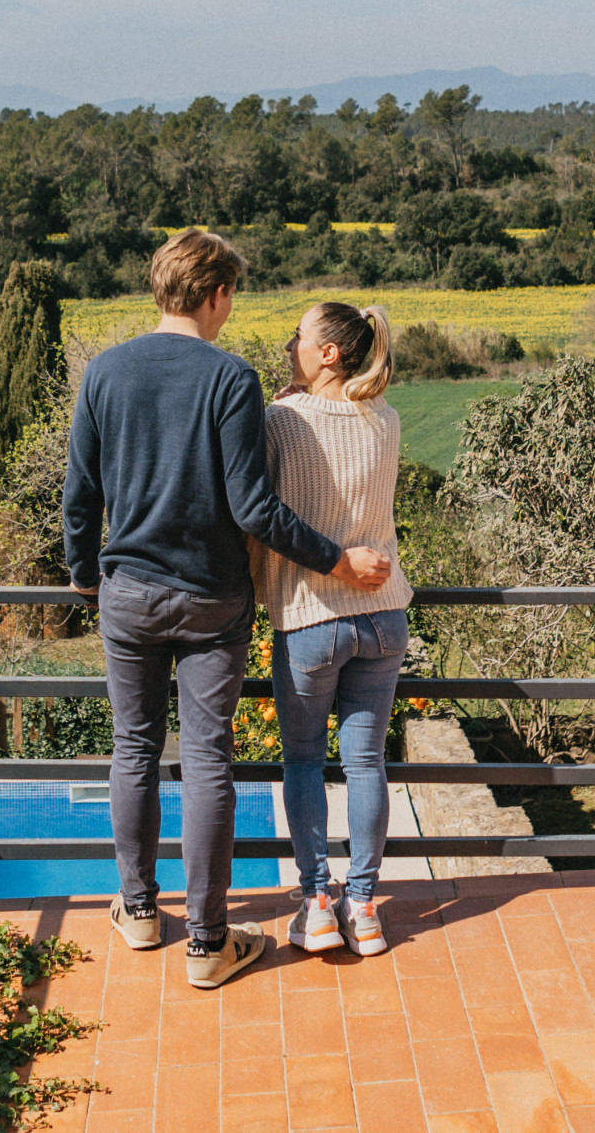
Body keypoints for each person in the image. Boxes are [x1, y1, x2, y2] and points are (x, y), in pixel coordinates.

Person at [63, 231, 395, 989]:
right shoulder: (230, 377)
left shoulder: (105, 370)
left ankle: (139, 911)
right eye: (232, 294)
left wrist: (86, 578)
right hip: (212, 599)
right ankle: (208, 945)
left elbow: (80, 495)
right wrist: (338, 560)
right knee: (208, 759)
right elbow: (253, 508)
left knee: (132, 748)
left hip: (128, 593)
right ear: (215, 294)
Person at [251, 301, 411, 958]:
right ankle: (364, 908)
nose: (287, 344)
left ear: (328, 352)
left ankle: (317, 903)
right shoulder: (387, 419)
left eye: (298, 335)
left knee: (304, 760)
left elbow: (260, 508)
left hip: (311, 616)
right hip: (383, 613)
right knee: (366, 761)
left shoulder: (282, 420)